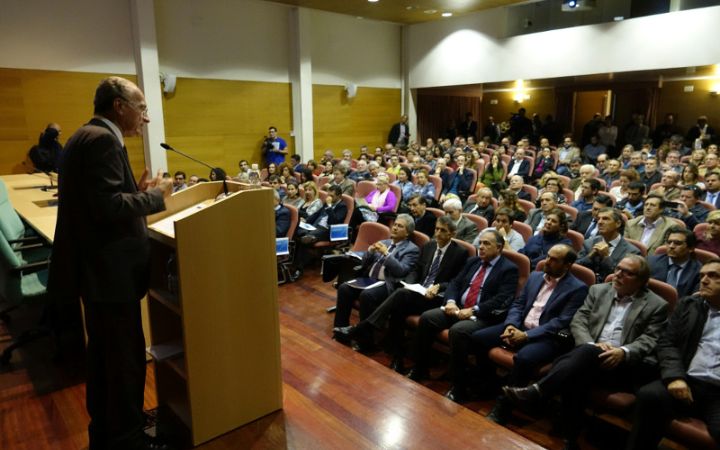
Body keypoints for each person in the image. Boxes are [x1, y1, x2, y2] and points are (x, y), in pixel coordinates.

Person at [48, 76, 173, 450]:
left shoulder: (83, 136)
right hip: (110, 275)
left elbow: (99, 200)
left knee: (105, 362)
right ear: (119, 106)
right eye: (142, 108)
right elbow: (107, 208)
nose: (145, 118)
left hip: (99, 274)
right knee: (122, 364)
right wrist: (155, 199)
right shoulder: (102, 140)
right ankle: (128, 439)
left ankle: (108, 433)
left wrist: (136, 192)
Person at [502, 255, 668, 449]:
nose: (618, 274)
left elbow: (650, 339)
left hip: (620, 364)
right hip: (587, 355)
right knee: (580, 368)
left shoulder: (656, 305)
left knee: (573, 365)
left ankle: (540, 392)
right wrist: (590, 344)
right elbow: (579, 321)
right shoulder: (598, 290)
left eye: (627, 273)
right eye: (618, 269)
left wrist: (623, 351)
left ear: (641, 280)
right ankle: (569, 438)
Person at [333, 216, 469, 364]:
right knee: (398, 305)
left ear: (452, 234)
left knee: (398, 296)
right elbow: (416, 271)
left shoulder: (459, 253)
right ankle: (397, 358)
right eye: (436, 229)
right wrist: (408, 284)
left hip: (436, 296)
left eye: (443, 230)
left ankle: (360, 329)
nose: (438, 233)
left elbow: (457, 282)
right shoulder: (429, 246)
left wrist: (439, 286)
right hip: (419, 291)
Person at [476, 245, 587, 421]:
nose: (547, 262)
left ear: (567, 265)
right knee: (479, 338)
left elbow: (561, 322)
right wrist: (511, 325)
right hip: (519, 326)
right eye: (548, 256)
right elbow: (518, 304)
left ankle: (503, 406)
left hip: (545, 337)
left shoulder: (577, 288)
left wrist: (526, 336)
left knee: (525, 358)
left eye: (554, 259)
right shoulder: (535, 277)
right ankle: (487, 385)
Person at [627, 259, 720, 449]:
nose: (704, 280)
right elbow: (667, 342)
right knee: (649, 396)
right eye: (702, 275)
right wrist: (675, 377)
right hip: (687, 380)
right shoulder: (689, 305)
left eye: (713, 276)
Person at [405, 229, 519, 382]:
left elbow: (501, 299)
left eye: (487, 243)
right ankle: (420, 369)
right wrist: (451, 301)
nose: (481, 247)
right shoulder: (473, 261)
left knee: (458, 331)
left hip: (482, 316)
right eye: (480, 243)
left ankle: (457, 384)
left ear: (499, 248)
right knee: (427, 318)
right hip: (458, 308)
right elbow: (455, 283)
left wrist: (474, 310)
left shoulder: (509, 269)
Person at [332, 215, 419, 328]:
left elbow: (401, 271)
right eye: (395, 225)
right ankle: (340, 328)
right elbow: (364, 263)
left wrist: (386, 254)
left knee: (366, 295)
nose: (395, 228)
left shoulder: (412, 250)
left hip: (386, 284)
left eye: (400, 226)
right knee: (344, 288)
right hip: (369, 279)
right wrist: (370, 251)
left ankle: (363, 339)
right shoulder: (385, 242)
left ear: (407, 233)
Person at [577, 207, 641, 283]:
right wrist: (590, 255)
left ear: (618, 223)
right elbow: (576, 267)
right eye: (599, 219)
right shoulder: (588, 243)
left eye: (605, 219)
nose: (600, 222)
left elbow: (623, 278)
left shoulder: (632, 252)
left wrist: (606, 257)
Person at [648, 226, 701, 298]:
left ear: (691, 248)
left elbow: (693, 301)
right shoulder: (650, 262)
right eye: (669, 242)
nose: (671, 246)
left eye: (677, 243)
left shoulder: (699, 272)